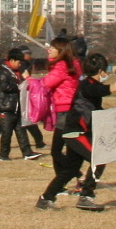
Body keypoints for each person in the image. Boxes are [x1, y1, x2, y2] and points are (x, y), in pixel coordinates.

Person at [34, 34, 88, 210]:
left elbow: (46, 84)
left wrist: (28, 80)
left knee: (59, 152)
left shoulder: (62, 66)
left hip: (66, 112)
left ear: (61, 51)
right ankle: (58, 190)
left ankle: (74, 182)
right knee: (69, 155)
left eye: (52, 48)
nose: (48, 50)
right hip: (70, 111)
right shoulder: (74, 64)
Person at [76, 52, 112, 194]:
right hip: (78, 130)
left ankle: (48, 197)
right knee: (100, 158)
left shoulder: (91, 84)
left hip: (86, 128)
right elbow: (94, 91)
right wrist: (109, 88)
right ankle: (86, 192)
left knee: (71, 165)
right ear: (100, 71)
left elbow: (96, 107)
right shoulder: (87, 84)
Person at [0, 47, 27, 160]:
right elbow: (4, 87)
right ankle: (3, 155)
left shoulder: (16, 72)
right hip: (5, 106)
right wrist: (19, 86)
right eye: (19, 62)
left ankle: (27, 152)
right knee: (7, 133)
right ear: (12, 60)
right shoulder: (3, 71)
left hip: (15, 107)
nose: (20, 65)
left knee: (21, 130)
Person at [19, 55, 50, 157]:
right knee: (20, 123)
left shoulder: (27, 64)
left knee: (23, 122)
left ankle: (36, 145)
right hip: (20, 100)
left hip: (23, 101)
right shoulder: (22, 66)